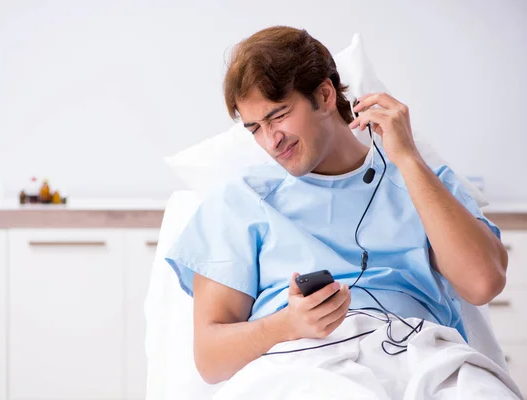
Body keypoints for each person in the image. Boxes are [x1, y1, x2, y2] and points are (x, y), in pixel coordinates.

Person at [164, 26, 508, 390]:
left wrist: (407, 158)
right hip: (301, 362)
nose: (270, 140)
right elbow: (210, 359)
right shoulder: (240, 200)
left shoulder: (423, 180)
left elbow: (483, 283)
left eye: (278, 116)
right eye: (255, 128)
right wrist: (288, 324)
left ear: (325, 95)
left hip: (420, 357)